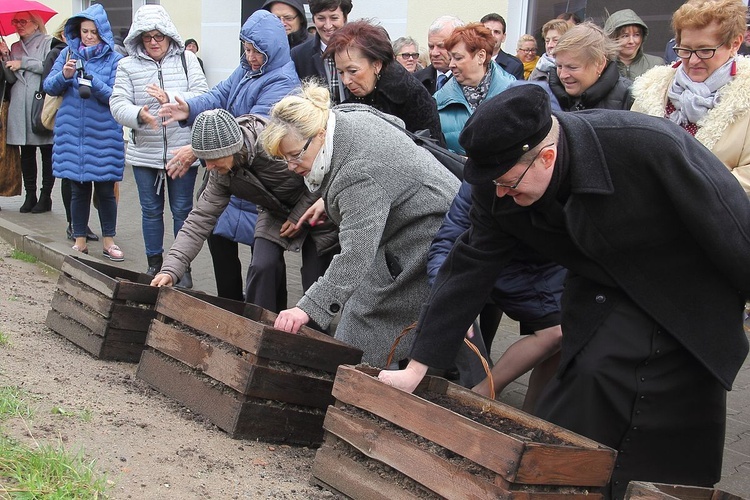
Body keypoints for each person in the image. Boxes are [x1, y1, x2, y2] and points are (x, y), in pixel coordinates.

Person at [380, 83, 750, 499]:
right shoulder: (497, 178)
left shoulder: (648, 145)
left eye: (509, 185)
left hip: (688, 293)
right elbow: (469, 266)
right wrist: (419, 366)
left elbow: (733, 227)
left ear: (547, 157)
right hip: (603, 291)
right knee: (583, 390)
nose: (500, 195)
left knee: (665, 418)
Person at [260, 84, 460, 366]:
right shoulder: (341, 117)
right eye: (284, 159)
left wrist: (307, 309)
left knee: (363, 325)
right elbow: (394, 126)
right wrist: (330, 200)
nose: (291, 166)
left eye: (295, 155)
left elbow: (356, 254)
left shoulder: (356, 175)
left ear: (318, 135)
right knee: (437, 315)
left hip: (429, 232)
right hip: (427, 213)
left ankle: (359, 390)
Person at [158, 10, 300, 301]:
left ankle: (270, 319)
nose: (249, 56)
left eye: (256, 51)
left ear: (272, 48)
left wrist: (201, 149)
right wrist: (188, 108)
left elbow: (259, 128)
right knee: (221, 253)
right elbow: (218, 96)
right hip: (230, 172)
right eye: (246, 48)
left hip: (258, 184)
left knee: (265, 265)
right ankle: (230, 314)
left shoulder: (283, 82)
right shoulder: (247, 70)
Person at [152, 109, 338, 314]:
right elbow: (199, 220)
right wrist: (171, 269)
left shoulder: (273, 145)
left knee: (314, 284)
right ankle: (261, 328)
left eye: (214, 158)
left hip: (317, 208)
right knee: (261, 266)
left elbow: (324, 174)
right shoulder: (220, 174)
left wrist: (298, 216)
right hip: (275, 212)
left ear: (233, 148)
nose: (210, 166)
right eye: (205, 160)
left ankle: (316, 337)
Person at [110, 5, 209, 280]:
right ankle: (154, 262)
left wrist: (170, 96)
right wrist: (137, 115)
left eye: (159, 36)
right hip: (144, 153)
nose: (153, 42)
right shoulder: (126, 65)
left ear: (169, 35)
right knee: (151, 211)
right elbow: (117, 103)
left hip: (181, 151)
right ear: (138, 38)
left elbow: (202, 95)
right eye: (147, 37)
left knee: (182, 211)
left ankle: (181, 267)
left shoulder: (188, 61)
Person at [632, 0, 750, 196]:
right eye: (685, 49)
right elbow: (629, 153)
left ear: (734, 44)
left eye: (705, 50)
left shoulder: (746, 96)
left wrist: (689, 193)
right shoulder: (651, 90)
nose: (693, 60)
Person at [44, 5, 124, 259]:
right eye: (84, 31)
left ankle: (108, 241)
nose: (88, 36)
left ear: (103, 33)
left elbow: (115, 96)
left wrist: (90, 79)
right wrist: (65, 76)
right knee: (78, 190)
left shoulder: (115, 60)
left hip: (103, 135)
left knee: (105, 191)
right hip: (72, 134)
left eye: (93, 32)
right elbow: (49, 86)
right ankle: (80, 240)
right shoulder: (67, 53)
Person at [328, 20, 444, 145]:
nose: (346, 81)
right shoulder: (364, 90)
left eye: (353, 71)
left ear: (377, 65)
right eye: (341, 72)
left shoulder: (408, 94)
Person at [0, 11, 55, 214]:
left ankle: (46, 195)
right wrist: (5, 56)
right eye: (15, 21)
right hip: (19, 105)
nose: (18, 25)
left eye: (23, 21)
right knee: (26, 153)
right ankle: (30, 194)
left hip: (39, 104)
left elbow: (48, 67)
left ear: (35, 23)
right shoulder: (14, 46)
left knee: (46, 151)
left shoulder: (49, 42)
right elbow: (11, 78)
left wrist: (23, 63)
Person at [433, 23, 515, 153]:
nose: (451, 64)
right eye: (451, 58)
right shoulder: (438, 101)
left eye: (458, 58)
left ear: (481, 56)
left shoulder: (514, 93)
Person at [548, 22, 633, 111]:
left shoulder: (631, 98)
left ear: (600, 64)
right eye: (559, 66)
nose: (563, 75)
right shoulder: (546, 96)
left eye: (572, 67)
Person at [290, 0, 352, 106]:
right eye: (321, 18)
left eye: (334, 18)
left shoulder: (361, 49)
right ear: (313, 19)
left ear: (345, 18)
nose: (328, 26)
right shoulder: (299, 55)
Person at [603, 9, 665, 81]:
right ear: (612, 38)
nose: (631, 41)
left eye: (636, 35)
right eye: (625, 36)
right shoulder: (602, 66)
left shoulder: (656, 64)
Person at [414, 16, 464, 95]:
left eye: (441, 46)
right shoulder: (415, 81)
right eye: (431, 46)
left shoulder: (471, 82)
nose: (434, 53)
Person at [480, 13, 523, 80]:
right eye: (487, 31)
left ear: (503, 37)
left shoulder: (515, 66)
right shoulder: (469, 60)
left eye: (496, 32)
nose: (492, 35)